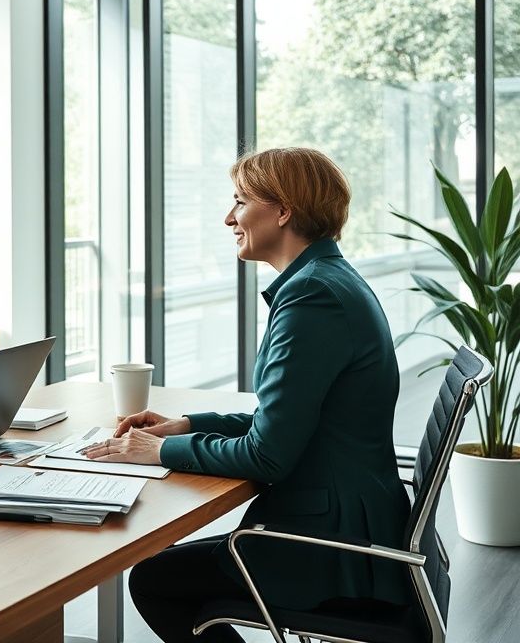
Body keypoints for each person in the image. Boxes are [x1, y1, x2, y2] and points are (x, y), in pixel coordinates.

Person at [85, 148, 410, 642]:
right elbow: (286, 417)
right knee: (167, 568)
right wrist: (188, 426)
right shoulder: (326, 281)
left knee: (155, 580)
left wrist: (158, 451)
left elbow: (269, 454)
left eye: (240, 201)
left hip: (330, 543)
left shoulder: (311, 297)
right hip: (351, 521)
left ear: (282, 211)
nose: (229, 217)